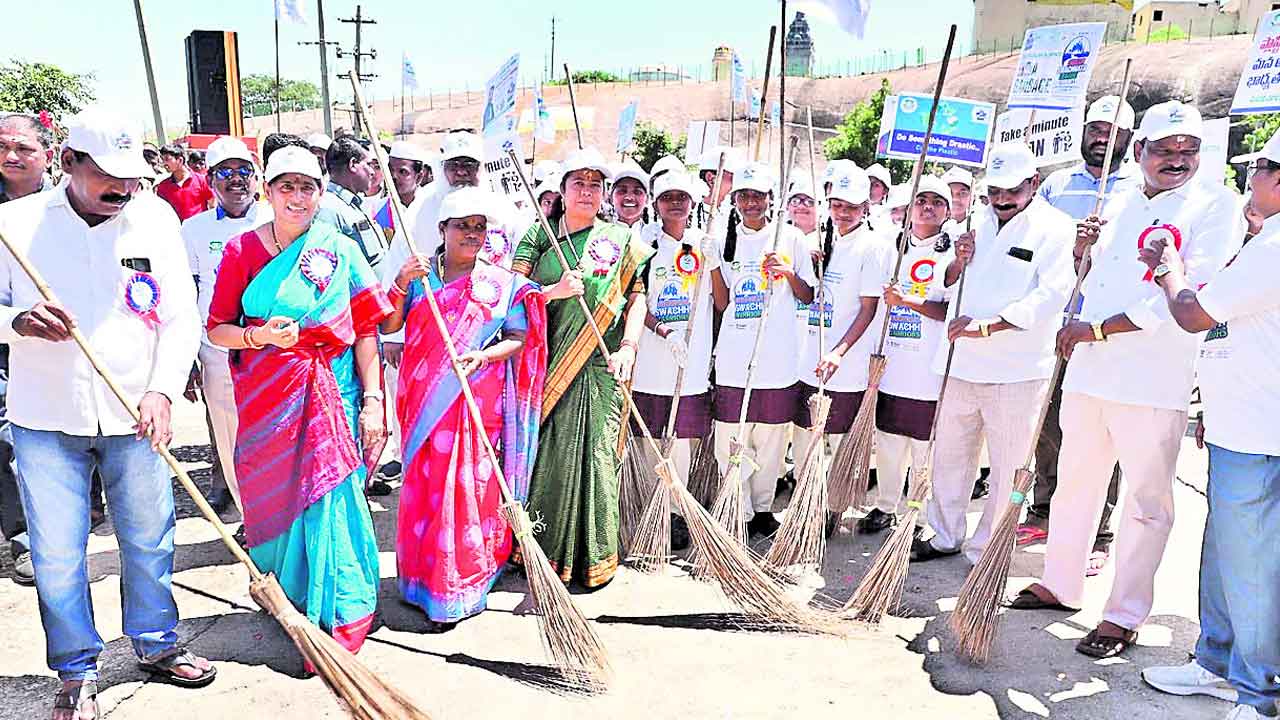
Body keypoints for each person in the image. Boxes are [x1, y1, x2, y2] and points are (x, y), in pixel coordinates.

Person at [0, 106, 214, 719]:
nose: (122, 191)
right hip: (46, 418)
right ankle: (75, 670)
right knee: (58, 552)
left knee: (149, 537)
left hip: (136, 413)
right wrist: (14, 322)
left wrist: (163, 389)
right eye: (107, 178)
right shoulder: (14, 225)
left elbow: (180, 316)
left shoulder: (155, 216)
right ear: (67, 164)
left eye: (132, 176)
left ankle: (156, 643)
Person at [1012, 101, 1243, 659]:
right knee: (1074, 485)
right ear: (1139, 152)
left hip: (1153, 380)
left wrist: (1098, 329)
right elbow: (1087, 276)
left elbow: (1191, 296)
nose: (1177, 160)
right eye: (1165, 150)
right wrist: (1079, 250)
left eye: (1188, 150)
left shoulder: (1216, 205)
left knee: (1145, 503)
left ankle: (1122, 614)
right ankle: (1062, 583)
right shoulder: (1114, 199)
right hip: (1089, 373)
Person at [205, 146, 391, 655]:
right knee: (278, 491)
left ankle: (343, 604)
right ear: (268, 192)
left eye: (306, 187)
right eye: (285, 186)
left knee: (332, 492)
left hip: (334, 391)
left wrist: (374, 399)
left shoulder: (342, 248)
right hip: (268, 397)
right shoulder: (242, 251)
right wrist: (259, 336)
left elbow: (368, 330)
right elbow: (218, 330)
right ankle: (291, 595)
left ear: (322, 192)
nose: (296, 197)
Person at [1138, 133, 1280, 720]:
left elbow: (1194, 313)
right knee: (1227, 552)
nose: (1252, 179)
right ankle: (1217, 663)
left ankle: (1261, 692)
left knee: (1253, 568)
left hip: (1260, 433)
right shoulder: (1264, 241)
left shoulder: (1275, 248)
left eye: (1262, 168)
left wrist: (1170, 270)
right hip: (1238, 423)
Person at [382, 186, 546, 627]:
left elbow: (518, 336)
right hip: (424, 406)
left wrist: (482, 357)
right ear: (442, 230)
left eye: (479, 227)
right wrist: (399, 283)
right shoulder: (420, 276)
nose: (472, 234)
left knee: (471, 493)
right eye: (462, 227)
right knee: (427, 490)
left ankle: (462, 584)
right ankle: (421, 580)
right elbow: (390, 325)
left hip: (478, 401)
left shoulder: (499, 283)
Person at [912, 144, 1073, 563]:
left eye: (1012, 191)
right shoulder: (974, 223)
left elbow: (1053, 294)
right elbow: (944, 286)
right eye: (995, 191)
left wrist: (989, 326)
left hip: (1017, 371)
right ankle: (944, 534)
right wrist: (958, 262)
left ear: (1033, 184)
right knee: (950, 457)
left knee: (1006, 468)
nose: (1002, 200)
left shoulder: (1056, 227)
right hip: (961, 363)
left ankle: (987, 551)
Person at [512, 146, 652, 588]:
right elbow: (510, 293)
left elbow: (636, 297)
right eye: (579, 183)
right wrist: (551, 291)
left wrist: (629, 345)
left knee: (597, 456)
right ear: (563, 190)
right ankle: (540, 551)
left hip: (600, 364)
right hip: (547, 364)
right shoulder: (539, 234)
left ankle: (596, 555)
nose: (587, 192)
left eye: (595, 184)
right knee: (547, 458)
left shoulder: (619, 240)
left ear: (605, 193)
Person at [1018, 95, 1137, 571]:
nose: (1102, 138)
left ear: (1129, 140)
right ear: (1083, 133)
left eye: (1112, 132)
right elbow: (1032, 243)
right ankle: (1044, 508)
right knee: (1047, 419)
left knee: (1103, 429)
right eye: (1095, 129)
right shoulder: (1056, 186)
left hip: (1106, 327)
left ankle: (1099, 529)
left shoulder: (1137, 190)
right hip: (1056, 319)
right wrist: (1072, 242)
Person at [712, 162, 816, 538]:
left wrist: (787, 272)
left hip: (778, 356)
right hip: (735, 355)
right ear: (735, 199)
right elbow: (722, 304)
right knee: (731, 437)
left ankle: (761, 508)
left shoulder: (790, 238)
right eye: (745, 195)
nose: (752, 202)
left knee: (771, 440)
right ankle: (735, 506)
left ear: (772, 199)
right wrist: (711, 264)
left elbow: (808, 295)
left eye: (759, 195)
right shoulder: (724, 240)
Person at [790, 168, 889, 537]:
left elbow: (868, 309)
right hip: (811, 355)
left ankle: (830, 508)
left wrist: (839, 353)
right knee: (806, 434)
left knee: (839, 440)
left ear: (866, 207)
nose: (843, 213)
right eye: (836, 206)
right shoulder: (825, 240)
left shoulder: (874, 247)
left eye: (851, 207)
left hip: (846, 364)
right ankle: (805, 501)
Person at [180, 137, 272, 516]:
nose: (236, 180)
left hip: (270, 348)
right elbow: (187, 291)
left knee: (271, 434)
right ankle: (250, 515)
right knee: (229, 434)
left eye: (243, 171)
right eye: (225, 173)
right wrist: (188, 357)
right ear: (210, 178)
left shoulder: (274, 219)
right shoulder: (193, 229)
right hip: (217, 350)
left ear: (256, 176)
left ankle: (276, 514)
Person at [863, 176, 955, 536]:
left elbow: (948, 309)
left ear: (947, 211)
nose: (928, 206)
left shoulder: (952, 255)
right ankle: (885, 505)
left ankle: (917, 513)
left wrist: (907, 302)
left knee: (923, 447)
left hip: (928, 366)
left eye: (936, 201)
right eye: (921, 200)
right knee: (887, 442)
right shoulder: (889, 249)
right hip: (893, 362)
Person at [632, 171, 722, 498]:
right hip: (651, 361)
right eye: (667, 198)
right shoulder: (644, 245)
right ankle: (648, 507)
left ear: (692, 202)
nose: (675, 203)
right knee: (648, 439)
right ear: (655, 204)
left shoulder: (703, 243)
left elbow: (722, 302)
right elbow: (636, 300)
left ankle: (675, 509)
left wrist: (712, 264)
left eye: (681, 197)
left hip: (691, 361)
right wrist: (665, 331)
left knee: (681, 440)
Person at [0, 113, 56, 586]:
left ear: (48, 155)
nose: (11, 156)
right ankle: (27, 542)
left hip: (66, 351)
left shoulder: (71, 205)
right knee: (11, 441)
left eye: (23, 148)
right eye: (3, 148)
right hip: (7, 351)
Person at [315, 136, 389, 275]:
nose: (372, 172)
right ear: (353, 164)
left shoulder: (353, 205)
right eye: (368, 164)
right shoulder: (328, 210)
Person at [153, 144, 212, 221]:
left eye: (167, 159)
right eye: (162, 159)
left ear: (180, 160)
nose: (164, 164)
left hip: (201, 228)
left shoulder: (201, 180)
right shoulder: (163, 187)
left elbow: (212, 205)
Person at [610, 160, 650, 229]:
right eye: (622, 191)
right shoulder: (599, 236)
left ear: (647, 199)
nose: (629, 197)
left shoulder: (656, 236)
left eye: (637, 192)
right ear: (611, 198)